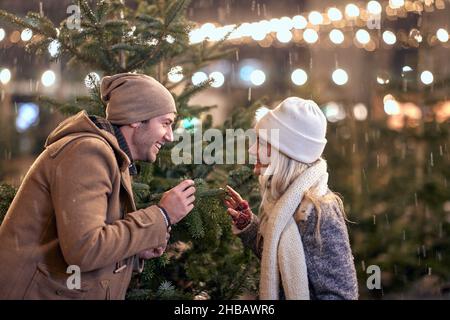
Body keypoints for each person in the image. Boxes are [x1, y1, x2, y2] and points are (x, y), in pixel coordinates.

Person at [0, 73, 196, 299]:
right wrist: (162, 215)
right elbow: (84, 249)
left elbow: (92, 242)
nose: (170, 136)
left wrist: (135, 251)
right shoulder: (88, 153)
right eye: (165, 123)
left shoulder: (113, 157)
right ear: (136, 119)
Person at [224, 97, 358, 300]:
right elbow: (283, 260)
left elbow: (341, 294)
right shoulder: (286, 203)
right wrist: (249, 226)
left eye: (262, 142)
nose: (252, 150)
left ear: (283, 153)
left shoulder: (318, 211)